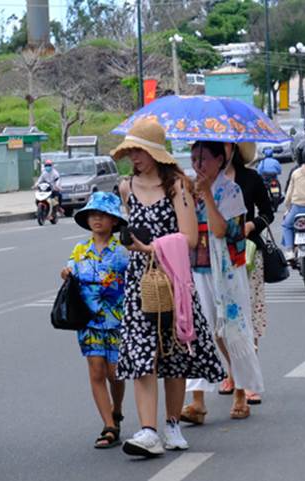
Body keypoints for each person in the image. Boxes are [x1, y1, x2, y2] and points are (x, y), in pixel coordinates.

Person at [113, 118, 225, 457]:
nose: (135, 158)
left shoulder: (178, 185)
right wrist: (130, 244)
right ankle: (148, 430)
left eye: (139, 151)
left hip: (174, 280)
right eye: (130, 152)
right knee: (141, 356)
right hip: (138, 282)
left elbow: (190, 238)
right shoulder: (125, 187)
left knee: (173, 354)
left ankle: (172, 423)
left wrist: (152, 248)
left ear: (155, 152)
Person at [181, 141, 264, 422]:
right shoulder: (188, 190)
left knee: (230, 331)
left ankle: (241, 389)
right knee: (197, 331)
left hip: (227, 270)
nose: (198, 165)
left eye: (203, 159)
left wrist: (207, 196)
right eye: (194, 159)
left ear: (220, 159)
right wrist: (190, 198)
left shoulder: (231, 191)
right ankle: (197, 399)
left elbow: (220, 230)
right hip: (197, 267)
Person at [61, 192, 130, 449]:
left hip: (116, 321)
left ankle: (117, 408)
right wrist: (66, 271)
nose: (97, 219)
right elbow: (68, 268)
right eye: (93, 215)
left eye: (103, 215)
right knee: (96, 370)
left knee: (115, 373)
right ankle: (109, 426)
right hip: (88, 321)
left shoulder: (123, 252)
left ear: (113, 221)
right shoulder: (80, 250)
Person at [228, 142, 273, 405]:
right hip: (214, 255)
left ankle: (248, 377)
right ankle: (231, 371)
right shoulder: (207, 182)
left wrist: (251, 224)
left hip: (248, 253)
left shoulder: (251, 178)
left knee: (248, 311)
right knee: (221, 317)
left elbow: (268, 213)